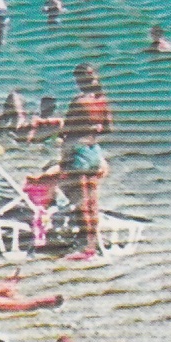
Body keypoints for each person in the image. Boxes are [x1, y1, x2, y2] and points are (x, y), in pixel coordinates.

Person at [58, 62, 112, 254]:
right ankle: (93, 241)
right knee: (92, 200)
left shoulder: (79, 102)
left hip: (78, 150)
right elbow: (108, 128)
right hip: (94, 151)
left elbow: (67, 128)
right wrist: (94, 127)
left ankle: (86, 246)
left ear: (80, 80)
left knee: (80, 200)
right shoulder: (102, 100)